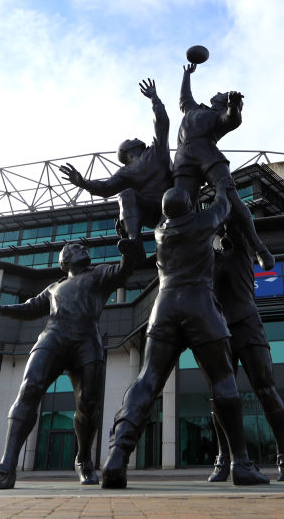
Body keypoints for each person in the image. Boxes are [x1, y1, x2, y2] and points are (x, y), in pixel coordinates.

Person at [100, 184, 269, 488]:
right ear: (190, 208)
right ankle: (241, 464)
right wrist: (217, 180)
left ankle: (117, 456)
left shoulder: (160, 232)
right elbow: (224, 202)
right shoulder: (204, 223)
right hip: (199, 304)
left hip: (164, 307)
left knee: (147, 379)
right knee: (222, 379)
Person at [0, 240, 136, 489]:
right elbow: (30, 308)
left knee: (89, 403)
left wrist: (130, 248)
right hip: (53, 337)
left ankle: (84, 458)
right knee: (29, 388)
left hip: (87, 339)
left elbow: (124, 270)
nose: (84, 249)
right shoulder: (54, 287)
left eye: (84, 248)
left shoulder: (99, 273)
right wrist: (2, 309)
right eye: (76, 248)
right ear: (64, 261)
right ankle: (6, 467)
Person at [206, 224, 284, 482]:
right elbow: (194, 234)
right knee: (218, 398)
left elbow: (237, 219)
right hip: (221, 331)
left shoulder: (242, 249)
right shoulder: (209, 257)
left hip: (248, 327)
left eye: (227, 231)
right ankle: (224, 457)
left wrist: (222, 198)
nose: (224, 235)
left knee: (265, 389)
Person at [172, 61, 275, 270]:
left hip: (208, 157)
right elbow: (184, 98)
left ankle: (258, 247)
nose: (219, 92)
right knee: (180, 207)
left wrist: (234, 107)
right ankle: (186, 254)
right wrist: (187, 74)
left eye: (223, 93)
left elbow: (232, 120)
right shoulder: (194, 109)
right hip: (183, 162)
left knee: (232, 197)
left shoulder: (218, 115)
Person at [59, 79, 172, 251]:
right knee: (125, 194)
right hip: (150, 211)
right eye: (130, 139)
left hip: (173, 201)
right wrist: (83, 182)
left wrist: (154, 98)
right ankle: (134, 241)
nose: (134, 137)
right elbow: (105, 187)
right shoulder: (125, 172)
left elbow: (162, 123)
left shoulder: (157, 150)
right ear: (127, 149)